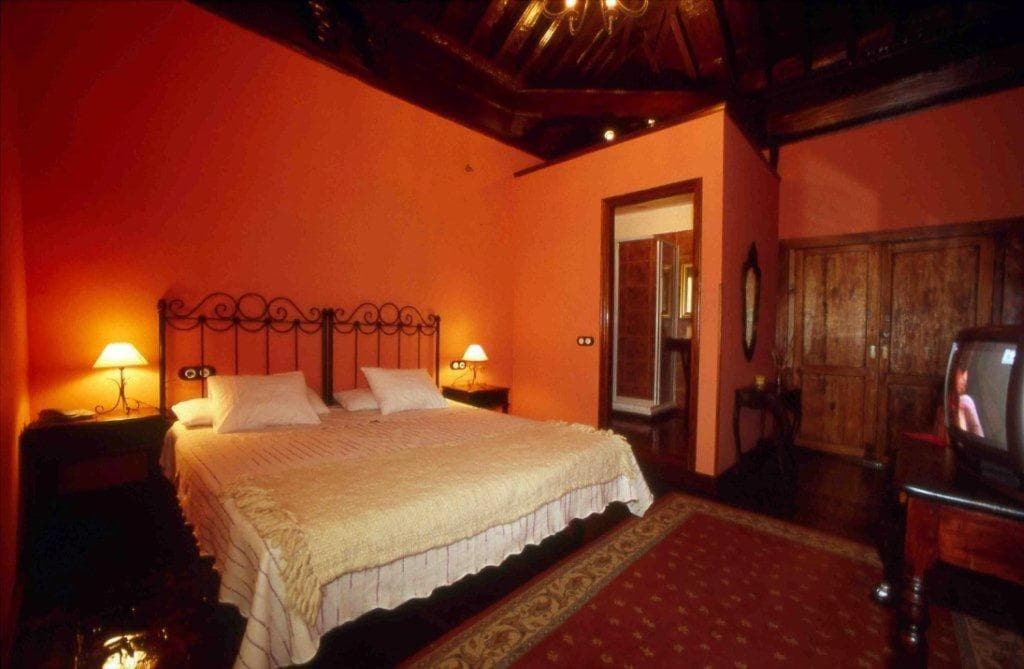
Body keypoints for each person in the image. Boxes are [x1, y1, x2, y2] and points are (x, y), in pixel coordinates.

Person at [951, 366, 985, 437]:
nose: (963, 380)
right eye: (960, 374)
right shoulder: (963, 401)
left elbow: (977, 431)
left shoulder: (965, 401)